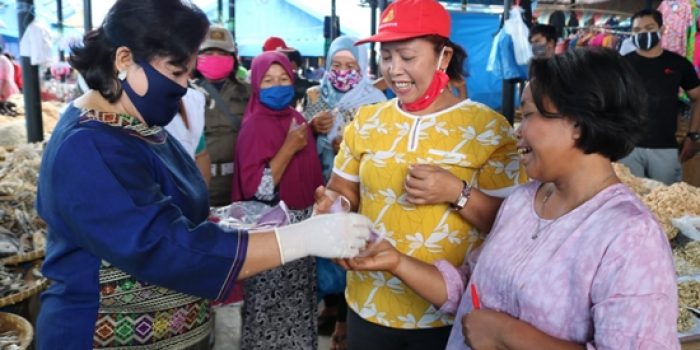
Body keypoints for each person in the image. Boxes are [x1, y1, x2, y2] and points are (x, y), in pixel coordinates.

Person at [35, 1, 373, 349]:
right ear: (124, 60)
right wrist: (301, 238)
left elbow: (173, 209)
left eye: (189, 72)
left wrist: (235, 221)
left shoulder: (139, 126)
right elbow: (163, 246)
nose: (185, 86)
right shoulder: (90, 144)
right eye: (177, 72)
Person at [351, 48, 680, 349]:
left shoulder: (630, 236)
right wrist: (394, 261)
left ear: (578, 124)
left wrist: (506, 334)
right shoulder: (523, 200)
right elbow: (473, 289)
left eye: (530, 115)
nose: (517, 130)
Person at [313, 0, 526, 348]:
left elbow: (511, 226)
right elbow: (343, 189)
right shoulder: (367, 121)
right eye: (386, 56)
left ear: (443, 57)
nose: (394, 69)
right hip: (368, 302)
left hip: (447, 312)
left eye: (408, 57)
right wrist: (332, 206)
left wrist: (457, 192)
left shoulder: (487, 128)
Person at [230, 51, 325, 349]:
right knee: (269, 315)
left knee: (300, 308)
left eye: (283, 79)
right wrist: (288, 147)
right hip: (271, 233)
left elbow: (312, 176)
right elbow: (258, 189)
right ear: (256, 85)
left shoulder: (297, 119)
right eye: (268, 81)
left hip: (302, 230)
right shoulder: (255, 126)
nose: (277, 86)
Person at [302, 34, 387, 348]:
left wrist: (352, 148)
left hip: (360, 192)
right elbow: (298, 142)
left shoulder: (376, 101)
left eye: (350, 65)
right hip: (321, 188)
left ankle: (344, 322)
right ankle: (333, 306)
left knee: (352, 250)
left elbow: (384, 149)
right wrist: (312, 129)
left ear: (363, 66)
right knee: (327, 252)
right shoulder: (314, 96)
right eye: (335, 64)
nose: (341, 70)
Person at [622, 9, 700, 184]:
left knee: (664, 202)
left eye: (649, 27)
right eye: (637, 30)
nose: (642, 33)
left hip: (665, 147)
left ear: (662, 29)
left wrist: (693, 135)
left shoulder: (678, 64)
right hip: (628, 148)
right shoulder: (623, 64)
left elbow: (698, 97)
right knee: (630, 202)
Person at [193, 24, 251, 206]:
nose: (215, 58)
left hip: (237, 186)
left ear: (233, 58)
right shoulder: (183, 93)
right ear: (196, 57)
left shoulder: (248, 93)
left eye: (223, 54)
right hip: (197, 186)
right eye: (208, 53)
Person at [165, 87, 211, 184]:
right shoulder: (129, 115)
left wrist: (199, 194)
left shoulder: (192, 100)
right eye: (176, 74)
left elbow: (201, 155)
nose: (183, 83)